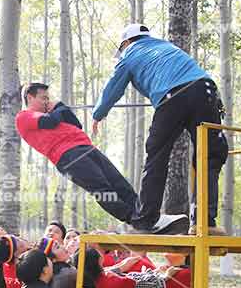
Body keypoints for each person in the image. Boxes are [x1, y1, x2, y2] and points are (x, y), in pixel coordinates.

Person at [92, 23, 229, 235]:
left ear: (127, 42)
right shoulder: (168, 47)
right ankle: (204, 222)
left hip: (170, 99)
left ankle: (146, 219)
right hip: (205, 90)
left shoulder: (128, 55)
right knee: (209, 156)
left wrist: (97, 115)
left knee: (156, 157)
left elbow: (113, 88)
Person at [16, 82, 188, 235]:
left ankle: (147, 216)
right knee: (103, 188)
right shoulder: (24, 117)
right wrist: (58, 107)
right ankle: (135, 220)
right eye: (43, 98)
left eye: (48, 98)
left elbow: (75, 123)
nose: (47, 102)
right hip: (68, 156)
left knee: (119, 182)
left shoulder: (52, 112)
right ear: (30, 97)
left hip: (86, 147)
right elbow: (51, 122)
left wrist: (59, 106)